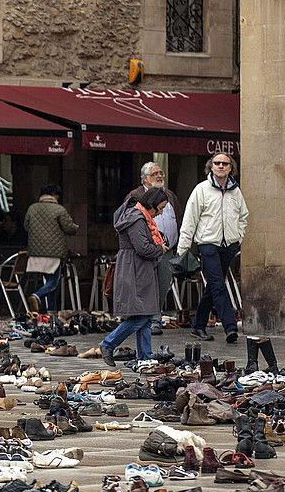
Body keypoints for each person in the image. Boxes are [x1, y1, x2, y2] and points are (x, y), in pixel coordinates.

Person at [176, 153, 248, 343]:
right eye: (217, 163)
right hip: (207, 244)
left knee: (213, 287)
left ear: (231, 167)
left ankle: (198, 326)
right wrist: (182, 250)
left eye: (225, 163)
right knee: (217, 284)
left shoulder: (235, 191)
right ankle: (230, 326)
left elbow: (243, 216)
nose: (221, 166)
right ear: (211, 166)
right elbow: (189, 220)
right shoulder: (201, 190)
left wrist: (238, 237)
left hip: (228, 246)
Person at [99, 187, 168, 367]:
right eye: (159, 208)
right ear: (150, 205)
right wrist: (159, 249)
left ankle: (145, 357)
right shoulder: (137, 219)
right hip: (135, 270)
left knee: (144, 314)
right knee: (142, 316)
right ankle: (108, 344)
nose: (160, 213)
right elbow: (143, 248)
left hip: (139, 269)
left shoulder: (141, 217)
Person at [125, 162, 181, 334]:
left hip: (166, 250)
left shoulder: (169, 195)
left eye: (161, 173)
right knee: (147, 286)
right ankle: (146, 320)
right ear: (144, 178)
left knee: (163, 284)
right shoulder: (135, 196)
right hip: (145, 251)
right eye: (154, 174)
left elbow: (177, 217)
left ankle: (155, 318)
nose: (159, 176)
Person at [23, 185, 78, 313]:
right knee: (53, 282)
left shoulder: (32, 208)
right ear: (54, 195)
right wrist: (76, 227)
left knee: (49, 281)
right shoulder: (59, 209)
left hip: (36, 252)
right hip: (54, 253)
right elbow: (69, 228)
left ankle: (51, 312)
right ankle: (37, 295)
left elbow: (26, 226)